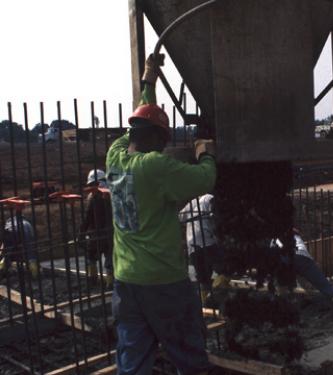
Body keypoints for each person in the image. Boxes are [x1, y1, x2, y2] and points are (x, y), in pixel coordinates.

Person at [107, 53, 216, 375]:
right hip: (164, 282)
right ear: (157, 138)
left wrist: (148, 80)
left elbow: (140, 119)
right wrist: (204, 152)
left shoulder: (114, 156)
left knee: (134, 358)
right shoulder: (155, 166)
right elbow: (205, 178)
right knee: (187, 355)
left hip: (126, 282)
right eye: (163, 140)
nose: (164, 146)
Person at [270, 231, 333, 317]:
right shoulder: (296, 237)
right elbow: (303, 271)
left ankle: (281, 309)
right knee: (326, 287)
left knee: (282, 288)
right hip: (302, 258)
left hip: (284, 260)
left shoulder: (273, 240)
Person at [179, 194, 230, 303]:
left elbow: (180, 217)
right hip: (207, 240)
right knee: (224, 270)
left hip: (192, 244)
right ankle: (216, 297)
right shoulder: (209, 198)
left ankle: (205, 304)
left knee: (203, 279)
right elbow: (216, 217)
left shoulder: (192, 203)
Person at [80, 169, 114, 288]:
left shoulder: (93, 197)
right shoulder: (111, 194)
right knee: (107, 260)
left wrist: (81, 233)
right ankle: (109, 282)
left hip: (97, 234)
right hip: (108, 233)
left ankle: (94, 280)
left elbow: (87, 217)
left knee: (93, 258)